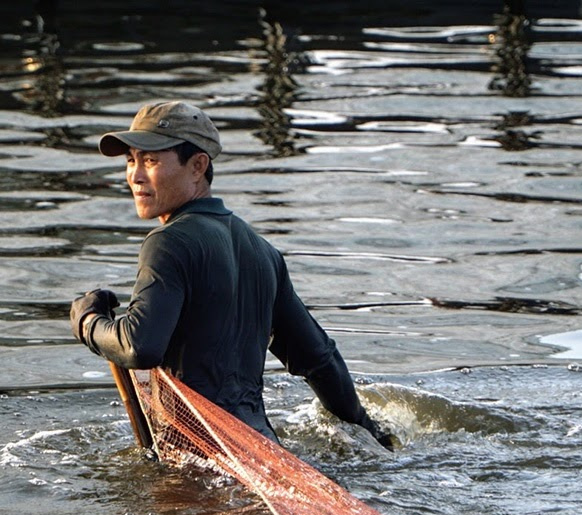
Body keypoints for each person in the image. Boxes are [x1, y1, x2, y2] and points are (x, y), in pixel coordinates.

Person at [70, 100, 396, 450]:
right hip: (262, 447)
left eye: (150, 161)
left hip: (201, 456)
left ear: (198, 166)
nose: (134, 176)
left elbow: (138, 347)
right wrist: (370, 431)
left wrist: (87, 321)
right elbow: (320, 361)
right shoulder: (263, 251)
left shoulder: (167, 242)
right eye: (130, 160)